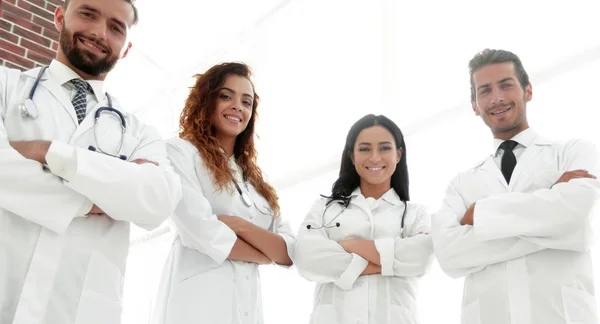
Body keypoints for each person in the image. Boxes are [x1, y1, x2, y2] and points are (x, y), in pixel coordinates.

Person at [0, 0, 183, 323]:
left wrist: (49, 152)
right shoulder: (5, 86)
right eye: (88, 14)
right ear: (59, 17)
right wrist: (101, 197)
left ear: (125, 49)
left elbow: (158, 200)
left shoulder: (140, 132)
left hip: (79, 309)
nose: (100, 33)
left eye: (116, 27)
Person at [432, 48, 600, 324]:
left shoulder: (574, 152)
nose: (497, 98)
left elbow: (580, 219)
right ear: (475, 106)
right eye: (485, 90)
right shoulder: (461, 184)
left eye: (506, 85)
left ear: (528, 91)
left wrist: (481, 214)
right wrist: (551, 213)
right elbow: (449, 255)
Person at [149, 62, 295, 324]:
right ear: (207, 100)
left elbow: (288, 250)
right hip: (197, 305)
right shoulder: (180, 152)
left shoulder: (255, 181)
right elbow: (199, 231)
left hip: (247, 309)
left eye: (246, 102)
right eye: (226, 96)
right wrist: (264, 253)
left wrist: (239, 225)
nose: (238, 106)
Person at [294, 114, 433, 324]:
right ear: (352, 156)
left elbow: (421, 259)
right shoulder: (325, 208)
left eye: (385, 148)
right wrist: (391, 263)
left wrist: (351, 245)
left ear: (398, 154)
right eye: (365, 149)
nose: (375, 158)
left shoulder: (416, 213)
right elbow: (306, 259)